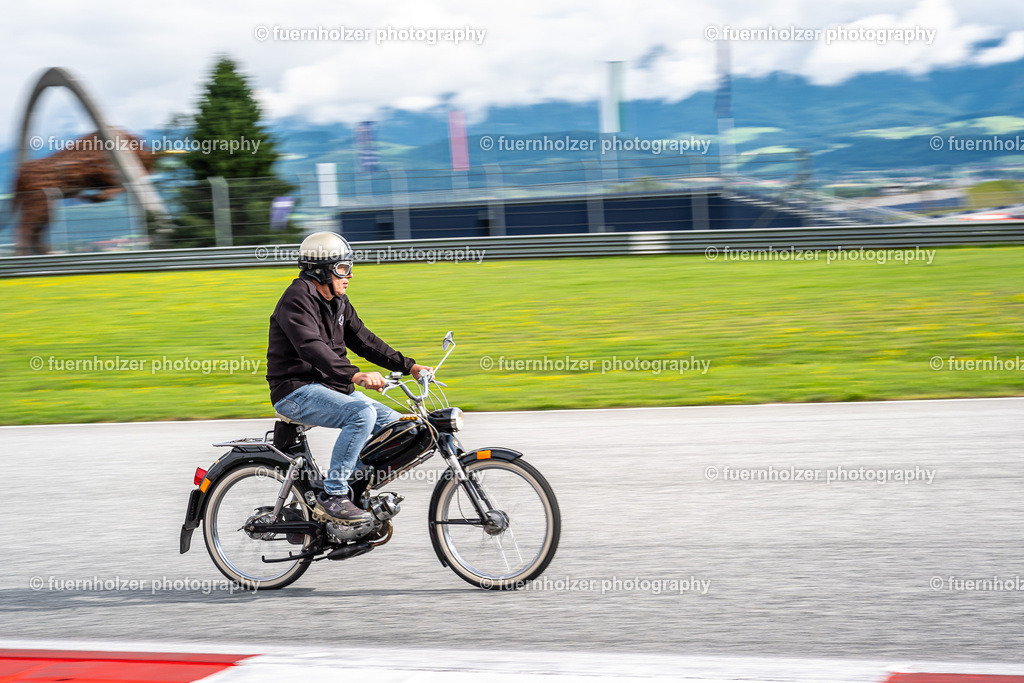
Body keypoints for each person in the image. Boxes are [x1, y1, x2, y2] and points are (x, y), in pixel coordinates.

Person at [266, 232, 431, 525]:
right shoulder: (296, 299)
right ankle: (334, 496)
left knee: (398, 428)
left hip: (331, 386)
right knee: (361, 414)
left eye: (350, 268)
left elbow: (365, 340)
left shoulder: (337, 300)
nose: (350, 275)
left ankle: (353, 490)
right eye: (342, 269)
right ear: (320, 269)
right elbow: (310, 346)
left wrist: (410, 366)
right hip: (295, 390)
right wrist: (354, 375)